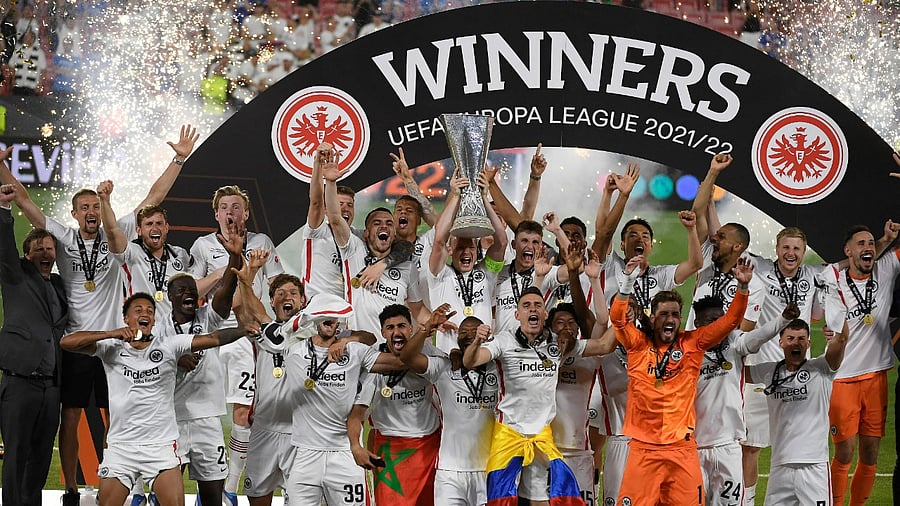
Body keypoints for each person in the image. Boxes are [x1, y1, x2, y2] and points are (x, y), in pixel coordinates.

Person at [0, 127, 198, 505]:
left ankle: (118, 477)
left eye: (96, 206)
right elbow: (22, 198)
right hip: (78, 343)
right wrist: (1, 170)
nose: (92, 212)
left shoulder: (117, 227)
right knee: (71, 415)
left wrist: (179, 158)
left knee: (116, 412)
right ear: (74, 214)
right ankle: (73, 486)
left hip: (116, 341)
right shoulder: (60, 236)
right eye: (85, 208)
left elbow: (154, 197)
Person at [59, 292, 252, 506]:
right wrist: (110, 334)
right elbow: (67, 342)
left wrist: (244, 329)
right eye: (138, 310)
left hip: (160, 447)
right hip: (122, 447)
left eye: (150, 311)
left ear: (153, 321)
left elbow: (214, 338)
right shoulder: (111, 348)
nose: (145, 314)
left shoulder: (169, 345)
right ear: (126, 319)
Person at [611, 255, 752, 504]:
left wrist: (742, 288)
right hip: (643, 450)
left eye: (675, 314)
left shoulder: (693, 343)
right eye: (664, 314)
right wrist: (626, 285)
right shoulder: (637, 344)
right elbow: (618, 319)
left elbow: (730, 321)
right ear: (653, 319)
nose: (670, 319)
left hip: (682, 450)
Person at [463, 286, 614, 505]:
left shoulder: (558, 344)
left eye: (537, 305)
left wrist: (623, 306)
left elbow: (604, 345)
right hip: (509, 434)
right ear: (517, 315)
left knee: (542, 500)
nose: (532, 309)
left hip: (542, 437)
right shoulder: (504, 342)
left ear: (544, 314)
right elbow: (470, 361)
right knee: (499, 500)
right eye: (526, 306)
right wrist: (477, 340)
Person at [189, 183, 283, 500]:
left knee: (243, 412)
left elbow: (277, 287)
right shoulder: (202, 246)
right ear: (216, 213)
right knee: (208, 411)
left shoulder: (262, 243)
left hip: (247, 336)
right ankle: (209, 486)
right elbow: (194, 291)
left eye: (237, 207)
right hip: (213, 334)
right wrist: (226, 267)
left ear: (246, 213)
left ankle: (229, 489)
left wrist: (252, 271)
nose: (231, 212)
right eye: (225, 207)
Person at [821, 225, 900, 505]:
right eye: (860, 243)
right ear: (848, 251)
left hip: (876, 376)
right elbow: (818, 315)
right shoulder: (833, 280)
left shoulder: (887, 267)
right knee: (844, 454)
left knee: (870, 454)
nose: (867, 247)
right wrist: (880, 242)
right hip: (842, 378)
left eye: (870, 243)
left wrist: (887, 242)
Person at [692, 297, 797, 505]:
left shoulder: (734, 342)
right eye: (711, 321)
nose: (718, 326)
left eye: (720, 320)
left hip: (729, 446)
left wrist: (783, 320)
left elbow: (757, 337)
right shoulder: (687, 347)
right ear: (698, 324)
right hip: (693, 448)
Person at [0, 183, 67, 506]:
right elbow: (3, 250)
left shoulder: (59, 285)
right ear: (27, 255)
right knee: (15, 457)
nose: (45, 253)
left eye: (50, 248)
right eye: (38, 248)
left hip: (51, 388)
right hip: (20, 383)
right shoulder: (16, 276)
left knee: (40, 458)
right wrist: (4, 212)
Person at [398, 306, 500, 505]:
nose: (469, 336)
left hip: (490, 469)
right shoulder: (443, 367)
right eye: (463, 332)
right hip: (450, 472)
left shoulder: (499, 368)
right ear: (457, 338)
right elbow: (407, 358)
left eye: (474, 331)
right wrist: (427, 327)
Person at [745, 319, 848, 505]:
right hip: (780, 467)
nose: (796, 343)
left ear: (808, 343)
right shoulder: (770, 371)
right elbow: (736, 371)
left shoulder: (822, 369)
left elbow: (841, 341)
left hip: (814, 467)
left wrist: (840, 313)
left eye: (801, 339)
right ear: (781, 343)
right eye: (790, 338)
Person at [348, 304, 441, 505]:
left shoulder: (430, 353)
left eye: (402, 326)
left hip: (428, 446)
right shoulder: (372, 362)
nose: (396, 332)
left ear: (411, 329)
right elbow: (357, 413)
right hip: (390, 448)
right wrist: (356, 445)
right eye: (390, 328)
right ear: (382, 332)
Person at [323, 154, 424, 337]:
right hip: (357, 348)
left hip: (394, 349)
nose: (384, 226)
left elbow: (417, 309)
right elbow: (336, 219)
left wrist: (438, 322)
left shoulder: (407, 267)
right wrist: (330, 183)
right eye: (377, 223)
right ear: (366, 233)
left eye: (388, 223)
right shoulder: (353, 250)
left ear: (394, 233)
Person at [428, 168, 507, 352]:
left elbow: (502, 241)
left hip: (482, 357)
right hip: (448, 359)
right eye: (460, 247)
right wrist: (455, 195)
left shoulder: (485, 273)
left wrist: (484, 199)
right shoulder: (439, 273)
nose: (466, 252)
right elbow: (439, 239)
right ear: (450, 250)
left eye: (471, 247)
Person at [97, 181, 192, 323]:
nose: (155, 228)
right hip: (143, 331)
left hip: (174, 333)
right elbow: (112, 231)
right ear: (139, 231)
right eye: (149, 224)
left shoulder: (180, 255)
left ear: (166, 228)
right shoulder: (131, 253)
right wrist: (105, 201)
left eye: (159, 223)